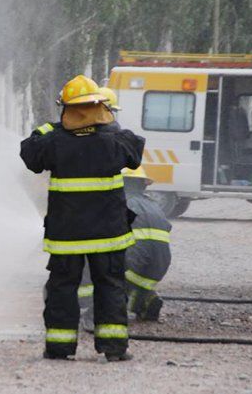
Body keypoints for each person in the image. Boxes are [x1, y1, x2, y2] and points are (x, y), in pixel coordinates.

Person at [20, 75, 145, 362]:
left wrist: (54, 127)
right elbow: (134, 152)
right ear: (100, 106)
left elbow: (30, 152)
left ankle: (59, 348)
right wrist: (104, 124)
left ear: (66, 109)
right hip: (109, 235)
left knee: (62, 288)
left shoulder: (53, 142)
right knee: (111, 287)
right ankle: (114, 349)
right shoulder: (116, 140)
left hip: (67, 236)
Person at [78, 166, 172, 332]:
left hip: (132, 268)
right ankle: (144, 300)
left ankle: (94, 310)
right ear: (143, 184)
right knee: (127, 283)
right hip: (153, 273)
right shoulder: (154, 206)